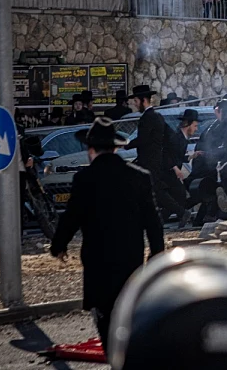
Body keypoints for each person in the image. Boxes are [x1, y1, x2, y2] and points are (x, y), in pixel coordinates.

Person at [50, 117, 165, 353]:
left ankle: (115, 355)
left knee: (104, 317)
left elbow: (71, 216)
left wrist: (59, 245)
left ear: (91, 150)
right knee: (128, 311)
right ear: (115, 148)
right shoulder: (139, 176)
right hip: (130, 259)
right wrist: (157, 254)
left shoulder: (84, 179)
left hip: (97, 261)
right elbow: (153, 221)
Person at [123, 85, 168, 224]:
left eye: (136, 101)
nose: (135, 105)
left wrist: (127, 144)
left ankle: (180, 211)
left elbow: (143, 139)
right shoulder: (155, 116)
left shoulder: (149, 117)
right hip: (151, 158)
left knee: (155, 191)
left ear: (143, 100)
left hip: (149, 160)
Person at [190, 100, 227, 225]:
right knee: (208, 195)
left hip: (211, 165)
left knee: (210, 196)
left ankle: (200, 220)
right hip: (207, 165)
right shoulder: (216, 126)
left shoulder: (219, 125)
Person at [161, 109, 199, 229]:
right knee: (179, 196)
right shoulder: (175, 137)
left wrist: (192, 155)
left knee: (175, 199)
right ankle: (182, 215)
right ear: (187, 124)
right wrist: (175, 168)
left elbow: (178, 156)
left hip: (172, 172)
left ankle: (160, 221)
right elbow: (166, 155)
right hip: (167, 172)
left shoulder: (183, 138)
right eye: (195, 126)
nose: (196, 129)